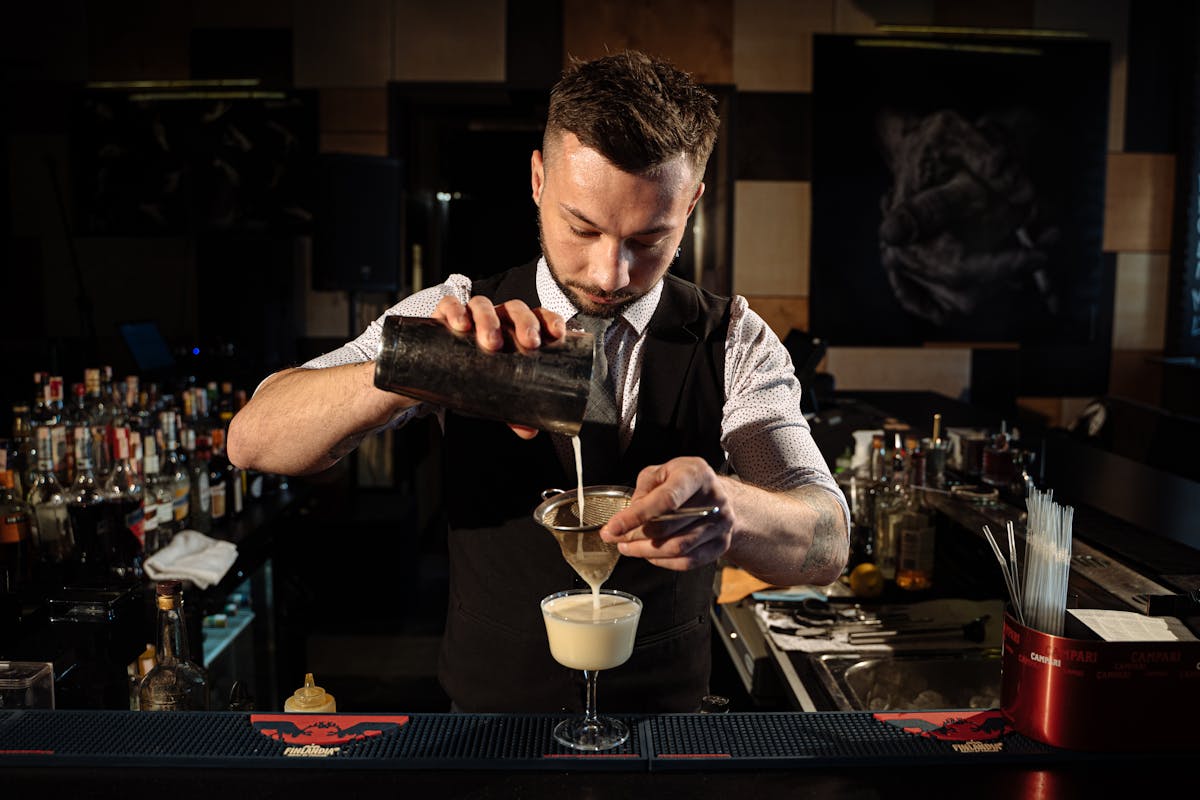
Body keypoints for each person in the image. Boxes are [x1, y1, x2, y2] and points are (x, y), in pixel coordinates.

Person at [227, 50, 849, 714]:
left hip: (665, 730)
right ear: (537, 179)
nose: (612, 274)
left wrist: (730, 513)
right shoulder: (458, 311)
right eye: (584, 228)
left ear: (691, 204)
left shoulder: (733, 341)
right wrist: (426, 368)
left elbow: (827, 542)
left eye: (649, 238)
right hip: (488, 727)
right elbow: (253, 441)